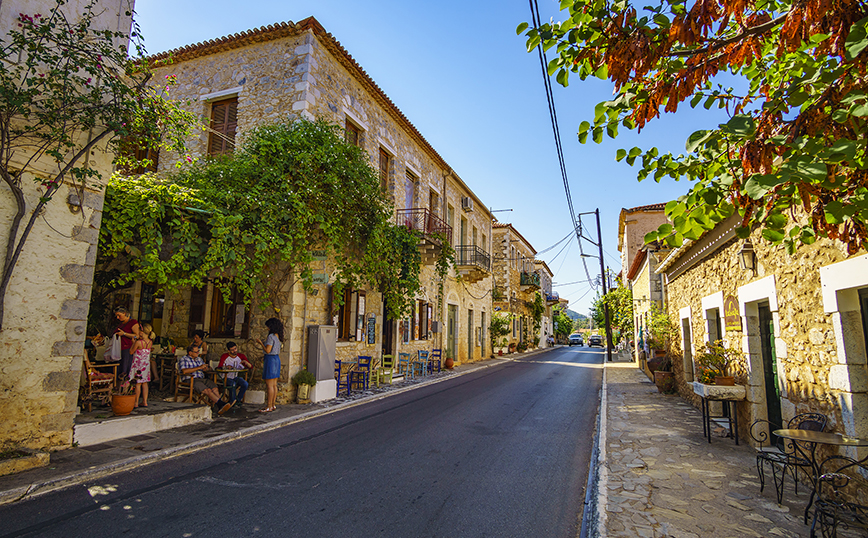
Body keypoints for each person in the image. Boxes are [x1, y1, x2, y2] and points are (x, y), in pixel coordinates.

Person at [178, 344, 234, 415]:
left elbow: (204, 368)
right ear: (190, 352)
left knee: (214, 387)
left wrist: (207, 368)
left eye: (198, 351)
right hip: (191, 379)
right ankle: (221, 404)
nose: (198, 353)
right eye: (196, 352)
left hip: (201, 378)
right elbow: (184, 371)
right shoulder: (184, 359)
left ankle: (219, 406)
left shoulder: (199, 359)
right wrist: (199, 367)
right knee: (207, 390)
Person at [255, 317, 283, 413]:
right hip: (277, 359)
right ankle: (273, 404)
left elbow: (268, 350)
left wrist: (261, 343)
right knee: (274, 384)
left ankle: (269, 406)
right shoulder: (277, 336)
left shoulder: (271, 336)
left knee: (269, 385)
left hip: (270, 360)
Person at [219, 341, 253, 408]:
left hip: (235, 376)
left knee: (245, 384)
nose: (234, 351)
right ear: (228, 351)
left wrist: (246, 362)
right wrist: (226, 367)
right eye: (232, 350)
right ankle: (232, 401)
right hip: (225, 377)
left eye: (235, 349)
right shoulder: (224, 356)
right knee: (233, 384)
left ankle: (238, 400)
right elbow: (219, 367)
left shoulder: (240, 356)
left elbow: (250, 366)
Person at [130, 323, 154, 407]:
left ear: (142, 331)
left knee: (138, 383)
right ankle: (145, 401)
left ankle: (136, 402)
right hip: (146, 364)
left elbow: (131, 352)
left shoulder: (139, 342)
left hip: (138, 364)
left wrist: (133, 342)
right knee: (145, 383)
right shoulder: (150, 342)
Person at [113, 307, 140, 380]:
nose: (118, 318)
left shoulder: (133, 322)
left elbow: (137, 335)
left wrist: (124, 333)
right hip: (119, 348)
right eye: (117, 316)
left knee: (125, 369)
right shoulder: (122, 323)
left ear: (124, 313)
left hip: (127, 348)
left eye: (119, 315)